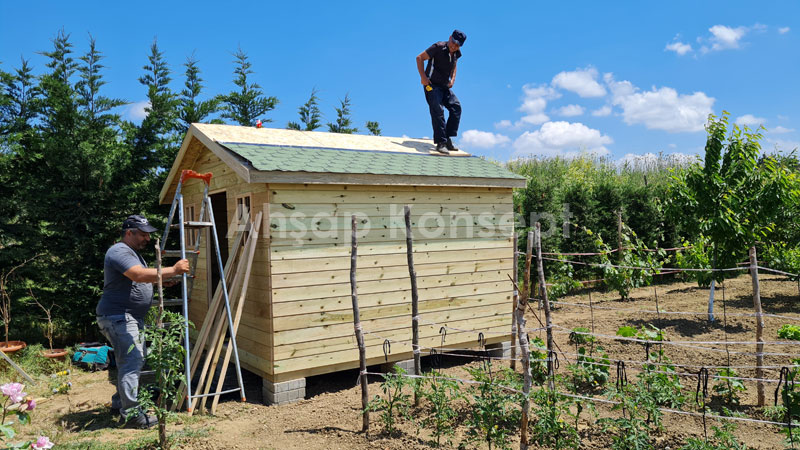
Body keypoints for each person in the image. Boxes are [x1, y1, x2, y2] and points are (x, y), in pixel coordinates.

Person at [96, 214, 190, 428]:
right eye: (143, 234)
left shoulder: (133, 253)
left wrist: (161, 281)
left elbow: (138, 279)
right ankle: (131, 414)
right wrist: (174, 270)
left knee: (129, 361)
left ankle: (120, 403)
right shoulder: (119, 251)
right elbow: (137, 275)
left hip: (126, 317)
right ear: (129, 233)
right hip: (118, 316)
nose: (147, 238)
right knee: (132, 361)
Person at [416, 29, 467, 154]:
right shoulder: (438, 47)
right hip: (431, 85)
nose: (454, 46)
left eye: (458, 45)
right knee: (438, 110)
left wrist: (453, 79)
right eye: (453, 42)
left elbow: (454, 65)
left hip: (444, 86)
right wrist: (423, 77)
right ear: (450, 38)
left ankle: (447, 138)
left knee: (456, 107)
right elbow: (419, 58)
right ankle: (441, 143)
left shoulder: (456, 53)